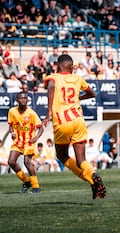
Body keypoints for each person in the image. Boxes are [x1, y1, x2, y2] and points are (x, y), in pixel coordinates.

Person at [43, 54, 106, 200]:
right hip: (78, 120)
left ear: (58, 66)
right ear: (71, 67)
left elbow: (51, 88)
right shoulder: (78, 78)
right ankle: (94, 175)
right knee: (81, 160)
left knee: (62, 155)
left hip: (62, 121)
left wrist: (48, 113)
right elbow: (92, 93)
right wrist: (79, 97)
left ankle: (91, 180)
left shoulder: (53, 77)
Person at [8, 91, 44, 193]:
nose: (23, 100)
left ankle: (36, 187)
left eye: (25, 98)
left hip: (29, 142)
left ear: (27, 100)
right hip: (17, 141)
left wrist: (36, 138)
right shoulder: (12, 111)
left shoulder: (31, 113)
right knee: (11, 162)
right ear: (17, 100)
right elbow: (10, 125)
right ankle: (26, 181)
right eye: (21, 98)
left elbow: (41, 128)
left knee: (27, 162)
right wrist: (12, 133)